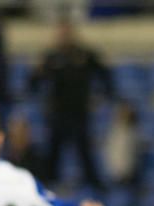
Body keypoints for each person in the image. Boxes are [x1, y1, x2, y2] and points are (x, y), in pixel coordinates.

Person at [28, 19, 113, 189]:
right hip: (58, 115)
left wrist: (101, 97)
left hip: (80, 114)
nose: (64, 37)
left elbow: (106, 75)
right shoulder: (51, 57)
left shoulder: (84, 55)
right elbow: (33, 84)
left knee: (85, 155)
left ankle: (97, 189)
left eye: (67, 33)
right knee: (53, 156)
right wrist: (36, 69)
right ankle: (47, 188)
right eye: (61, 33)